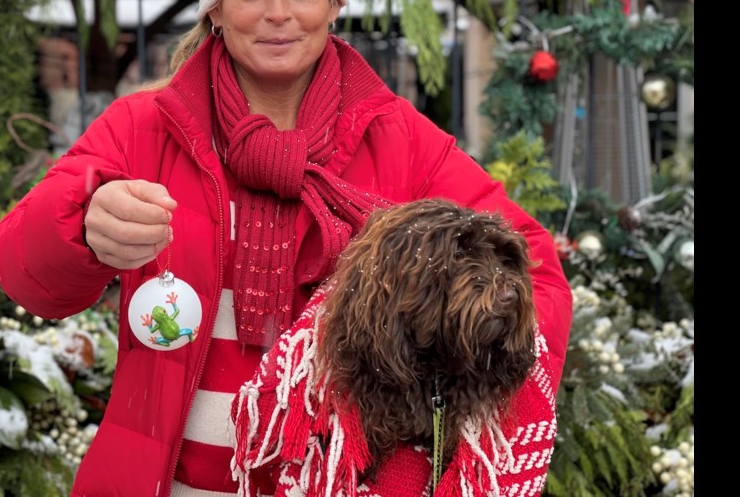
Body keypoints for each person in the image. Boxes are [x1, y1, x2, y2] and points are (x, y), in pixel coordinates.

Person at [0, 0, 572, 497]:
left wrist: (447, 373)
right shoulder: (144, 128)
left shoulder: (400, 139)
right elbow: (24, 270)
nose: (278, 13)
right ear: (214, 5)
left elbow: (531, 276)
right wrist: (82, 223)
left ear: (333, 2)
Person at [231, 198, 560, 497]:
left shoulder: (498, 396)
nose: (505, 291)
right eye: (463, 261)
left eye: (503, 262)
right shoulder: (318, 379)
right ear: (405, 294)